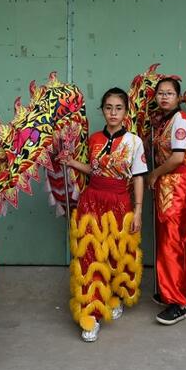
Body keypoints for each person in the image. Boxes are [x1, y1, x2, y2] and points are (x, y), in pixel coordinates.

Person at [63, 87, 146, 341]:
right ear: (102, 110)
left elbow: (139, 176)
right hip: (92, 200)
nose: (113, 113)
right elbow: (94, 170)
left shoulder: (134, 141)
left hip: (120, 202)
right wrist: (72, 162)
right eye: (108, 107)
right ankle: (92, 313)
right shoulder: (94, 139)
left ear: (125, 112)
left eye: (118, 108)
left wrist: (139, 209)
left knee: (115, 254)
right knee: (89, 255)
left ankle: (113, 295)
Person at [148, 77, 186, 326]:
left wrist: (155, 173)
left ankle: (177, 302)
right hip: (168, 185)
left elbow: (178, 158)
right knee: (169, 237)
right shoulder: (164, 121)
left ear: (179, 97)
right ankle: (169, 291)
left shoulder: (180, 121)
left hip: (176, 184)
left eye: (169, 93)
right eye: (160, 93)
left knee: (172, 241)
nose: (164, 97)